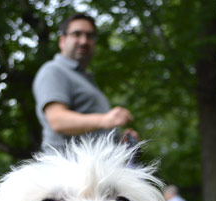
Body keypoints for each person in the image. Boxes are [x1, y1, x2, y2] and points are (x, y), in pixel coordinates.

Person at [32, 12, 138, 150]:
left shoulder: (86, 80)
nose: (84, 41)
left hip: (96, 167)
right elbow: (57, 120)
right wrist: (105, 120)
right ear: (62, 41)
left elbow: (96, 133)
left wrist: (120, 142)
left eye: (90, 36)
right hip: (68, 167)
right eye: (76, 34)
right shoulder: (53, 70)